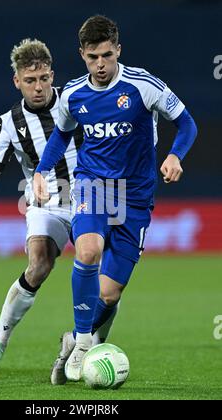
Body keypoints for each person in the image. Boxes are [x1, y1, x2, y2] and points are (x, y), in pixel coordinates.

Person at [34, 15, 197, 382]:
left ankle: (73, 337)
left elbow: (187, 123)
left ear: (118, 50)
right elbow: (61, 135)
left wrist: (175, 155)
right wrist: (43, 172)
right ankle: (83, 346)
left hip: (137, 196)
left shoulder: (143, 86)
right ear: (82, 55)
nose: (101, 65)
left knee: (108, 295)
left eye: (107, 55)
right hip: (94, 186)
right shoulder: (74, 94)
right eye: (93, 57)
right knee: (88, 252)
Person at [0, 38, 87, 374]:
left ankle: (82, 342)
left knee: (103, 278)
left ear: (52, 75)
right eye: (30, 80)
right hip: (46, 202)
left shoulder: (75, 101)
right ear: (17, 81)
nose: (38, 87)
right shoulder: (9, 123)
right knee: (38, 264)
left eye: (43, 79)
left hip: (92, 198)